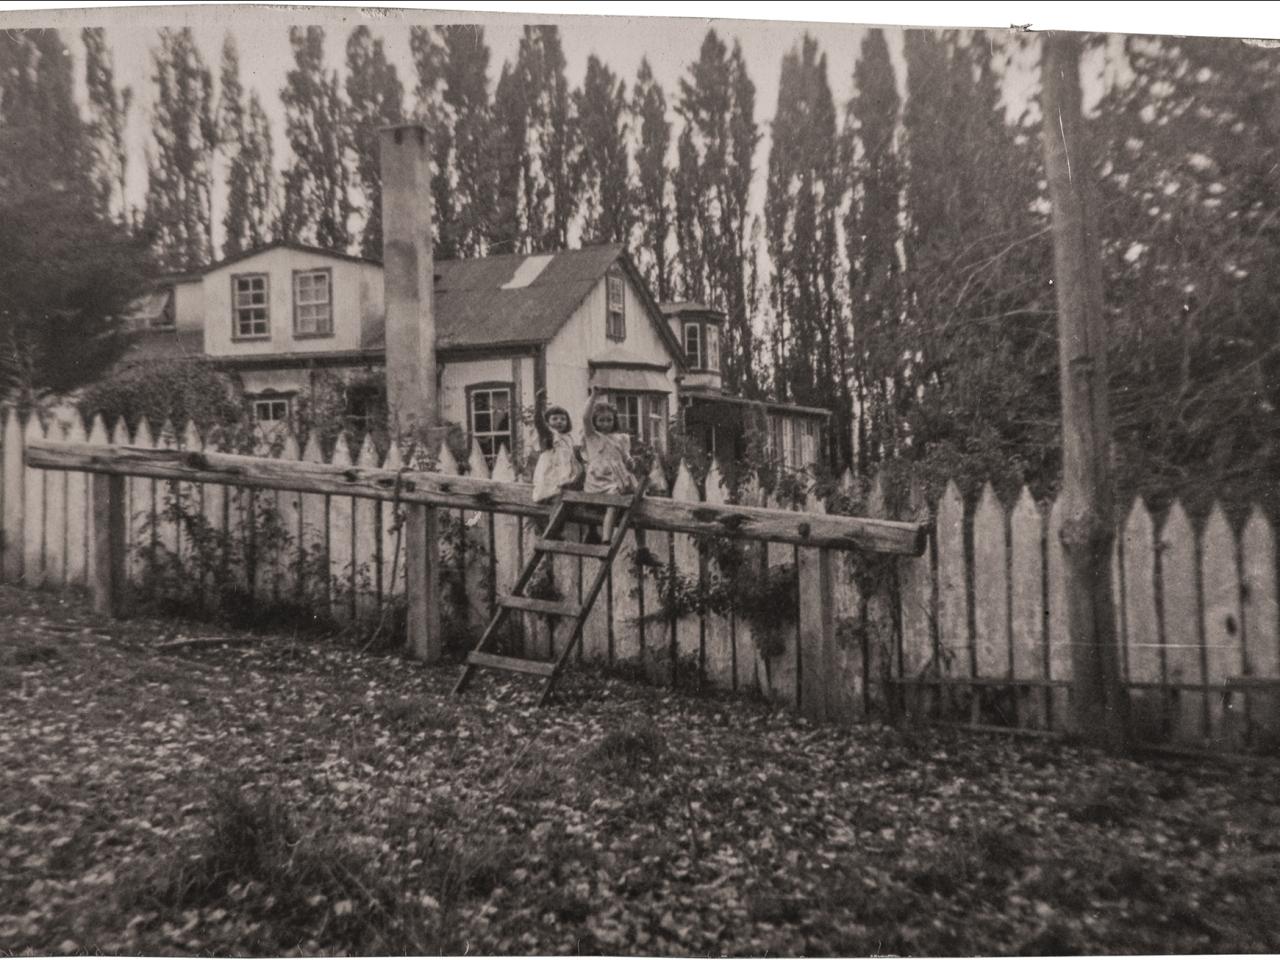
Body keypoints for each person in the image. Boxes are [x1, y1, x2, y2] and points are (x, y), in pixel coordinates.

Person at [581, 389, 637, 542]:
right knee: (609, 500)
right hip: (598, 479)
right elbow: (585, 417)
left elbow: (627, 459)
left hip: (618, 478)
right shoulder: (592, 436)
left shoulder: (621, 438)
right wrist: (593, 396)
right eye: (601, 420)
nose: (605, 424)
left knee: (633, 502)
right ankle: (600, 537)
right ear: (595, 421)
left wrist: (631, 463)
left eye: (609, 420)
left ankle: (637, 547)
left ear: (614, 420)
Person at [531, 389, 582, 504]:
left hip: (563, 476)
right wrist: (538, 405)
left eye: (563, 419)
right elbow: (539, 423)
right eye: (555, 418)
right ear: (548, 422)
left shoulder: (568, 438)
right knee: (551, 495)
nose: (559, 421)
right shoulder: (550, 435)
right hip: (550, 474)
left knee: (564, 497)